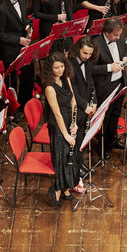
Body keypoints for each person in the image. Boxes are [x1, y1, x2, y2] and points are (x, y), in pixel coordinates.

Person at [42, 52, 79, 207]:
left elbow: (73, 101)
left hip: (69, 120)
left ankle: (65, 188)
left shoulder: (66, 79)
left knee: (69, 158)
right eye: (56, 68)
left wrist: (75, 123)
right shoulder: (50, 88)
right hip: (58, 126)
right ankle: (57, 190)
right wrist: (66, 134)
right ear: (50, 69)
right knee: (60, 158)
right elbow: (56, 114)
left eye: (62, 66)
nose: (60, 70)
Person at [0, 0, 34, 110]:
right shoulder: (1, 9)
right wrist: (18, 40)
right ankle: (12, 108)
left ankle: (25, 104)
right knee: (12, 82)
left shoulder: (21, 0)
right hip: (10, 50)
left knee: (29, 73)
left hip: (23, 46)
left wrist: (28, 27)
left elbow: (24, 19)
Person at [91, 17, 127, 153]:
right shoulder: (96, 44)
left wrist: (126, 57)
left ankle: (111, 140)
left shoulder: (119, 38)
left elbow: (125, 51)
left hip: (119, 83)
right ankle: (101, 147)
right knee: (105, 117)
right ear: (107, 32)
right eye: (116, 35)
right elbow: (89, 69)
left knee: (115, 114)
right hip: (104, 87)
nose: (119, 37)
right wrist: (109, 67)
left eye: (119, 34)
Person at [67, 36, 99, 160]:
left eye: (90, 54)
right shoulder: (70, 64)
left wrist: (94, 102)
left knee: (82, 138)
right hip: (76, 108)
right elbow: (73, 91)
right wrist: (85, 106)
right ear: (78, 49)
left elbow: (90, 83)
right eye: (85, 53)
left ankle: (79, 163)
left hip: (85, 105)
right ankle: (76, 166)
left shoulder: (88, 62)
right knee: (76, 139)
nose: (87, 56)